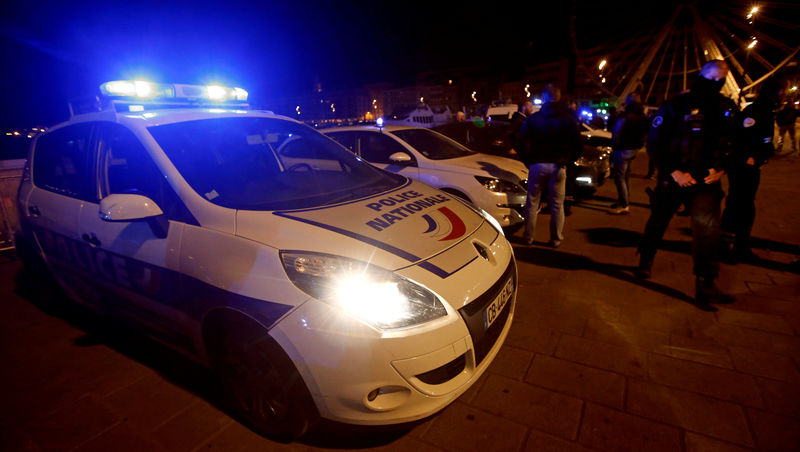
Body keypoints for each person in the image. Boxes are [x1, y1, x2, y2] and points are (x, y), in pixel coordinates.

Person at [636, 60, 738, 309]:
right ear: (701, 76)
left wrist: (722, 168)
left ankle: (705, 283)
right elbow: (654, 143)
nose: (715, 83)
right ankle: (645, 260)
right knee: (658, 221)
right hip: (674, 178)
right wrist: (673, 172)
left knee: (708, 233)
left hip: (706, 180)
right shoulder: (675, 106)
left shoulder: (727, 107)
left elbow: (734, 142)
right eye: (711, 78)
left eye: (720, 79)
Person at [721, 79, 784, 263]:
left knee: (742, 205)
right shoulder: (756, 112)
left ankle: (737, 245)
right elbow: (745, 137)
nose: (780, 98)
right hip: (744, 166)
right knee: (740, 206)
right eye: (779, 94)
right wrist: (752, 157)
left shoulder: (762, 110)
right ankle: (731, 246)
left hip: (748, 164)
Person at [516, 84, 583, 248]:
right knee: (557, 205)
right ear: (559, 97)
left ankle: (528, 237)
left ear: (544, 98)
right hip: (558, 165)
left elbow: (521, 142)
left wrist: (528, 160)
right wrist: (568, 161)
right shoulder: (568, 119)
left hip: (537, 164)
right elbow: (578, 144)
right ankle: (555, 239)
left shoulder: (533, 119)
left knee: (532, 202)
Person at [609, 93, 649, 214]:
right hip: (633, 149)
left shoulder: (625, 116)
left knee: (619, 178)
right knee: (626, 176)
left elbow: (617, 132)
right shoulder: (643, 116)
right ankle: (624, 200)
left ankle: (624, 204)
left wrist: (614, 146)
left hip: (622, 149)